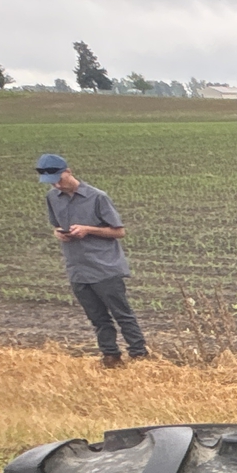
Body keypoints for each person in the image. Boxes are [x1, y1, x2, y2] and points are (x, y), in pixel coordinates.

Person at [35, 152, 149, 366]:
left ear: (68, 172)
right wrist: (59, 234)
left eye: (59, 179)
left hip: (104, 266)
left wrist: (88, 230)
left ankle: (139, 355)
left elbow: (119, 232)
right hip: (77, 268)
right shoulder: (51, 198)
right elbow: (54, 226)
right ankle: (110, 356)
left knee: (122, 314)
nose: (56, 186)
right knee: (97, 317)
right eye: (51, 183)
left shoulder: (97, 197)